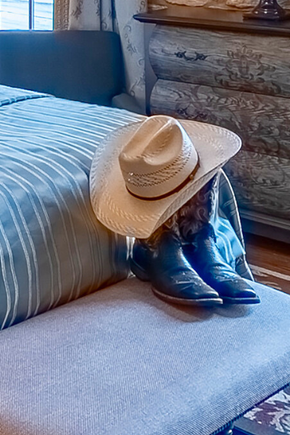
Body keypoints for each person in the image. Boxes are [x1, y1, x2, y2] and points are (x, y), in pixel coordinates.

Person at [89, 114, 261, 311]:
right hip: (160, 249)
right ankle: (156, 249)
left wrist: (201, 234)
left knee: (190, 179)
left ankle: (196, 245)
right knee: (165, 192)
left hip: (199, 238)